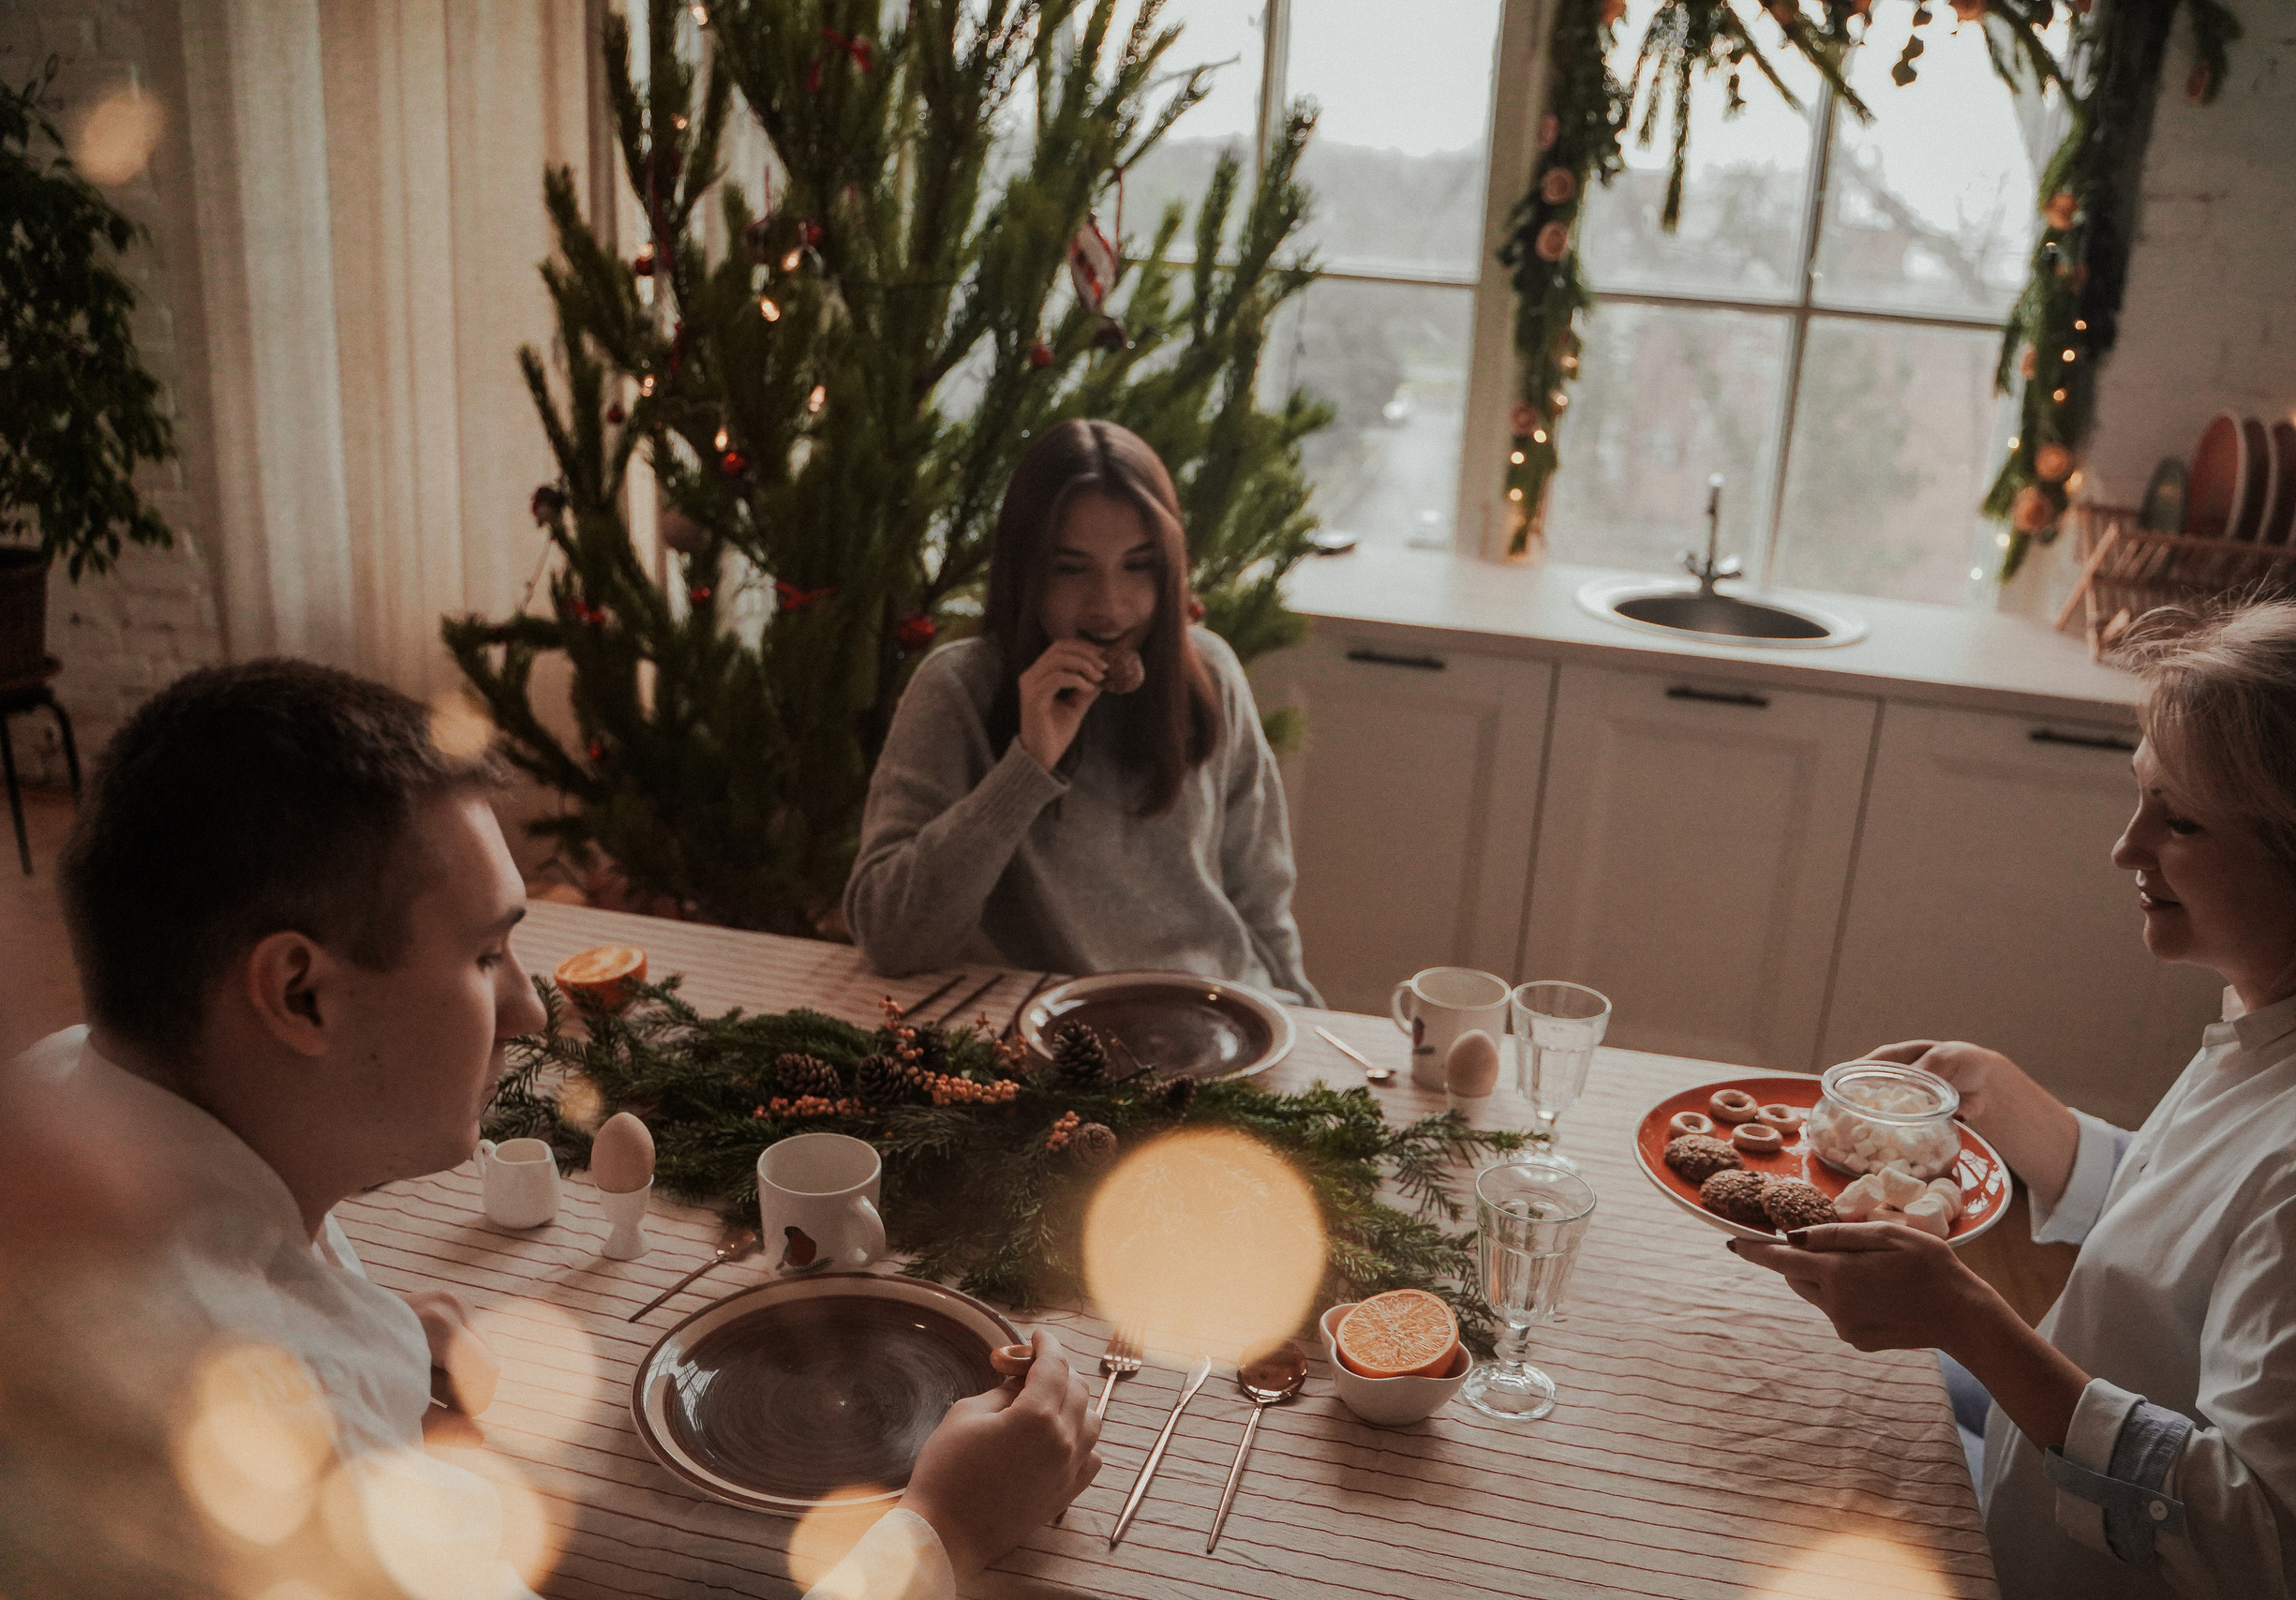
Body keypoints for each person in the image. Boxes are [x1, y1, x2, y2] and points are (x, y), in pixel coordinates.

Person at [2, 659, 1098, 1600]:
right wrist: (942, 1530)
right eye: (484, 956)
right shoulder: (274, 1456)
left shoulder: (65, 1082)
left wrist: (370, 1331)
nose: (529, 1011)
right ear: (299, 994)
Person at [1731, 601, 2296, 1600]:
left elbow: (2278, 1548)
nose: (2125, 851)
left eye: (2177, 821)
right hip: (2045, 1478)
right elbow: (2197, 1247)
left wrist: (1971, 1319)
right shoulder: (2290, 1021)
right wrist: (2026, 1119)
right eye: (2141, 799)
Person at [844, 418, 1320, 1005]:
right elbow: (890, 939)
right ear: (1025, 571)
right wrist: (1026, 767)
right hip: (1047, 1037)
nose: (1109, 606)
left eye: (1138, 565)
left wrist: (1310, 1024)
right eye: (1070, 569)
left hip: (1217, 1015)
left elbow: (1261, 898)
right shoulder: (957, 689)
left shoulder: (1211, 673)